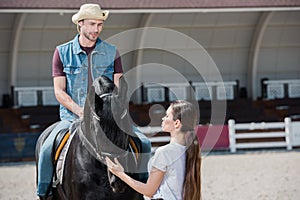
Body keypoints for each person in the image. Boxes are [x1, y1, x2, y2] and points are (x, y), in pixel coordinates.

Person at [37, 3, 124, 198]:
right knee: (47, 147)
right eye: (92, 24)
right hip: (71, 118)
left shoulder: (113, 52)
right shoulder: (61, 52)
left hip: (108, 119)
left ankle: (140, 190)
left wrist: (112, 113)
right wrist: (81, 112)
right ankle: (44, 193)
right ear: (80, 24)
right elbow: (59, 92)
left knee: (141, 142)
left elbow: (118, 88)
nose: (96, 29)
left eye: (100, 24)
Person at [106, 100, 202, 200]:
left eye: (167, 116)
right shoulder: (189, 151)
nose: (163, 118)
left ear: (177, 123)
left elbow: (149, 191)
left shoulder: (165, 152)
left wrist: (120, 173)